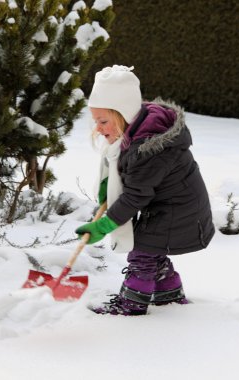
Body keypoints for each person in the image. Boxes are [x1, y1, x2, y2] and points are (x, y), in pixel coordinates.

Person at [75, 65, 215, 316]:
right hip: (171, 206)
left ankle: (131, 305)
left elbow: (136, 195)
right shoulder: (137, 129)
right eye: (95, 121)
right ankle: (168, 294)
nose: (98, 128)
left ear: (123, 114)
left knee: (142, 252)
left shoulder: (149, 148)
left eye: (103, 121)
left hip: (179, 211)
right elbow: (131, 178)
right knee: (153, 249)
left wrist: (105, 225)